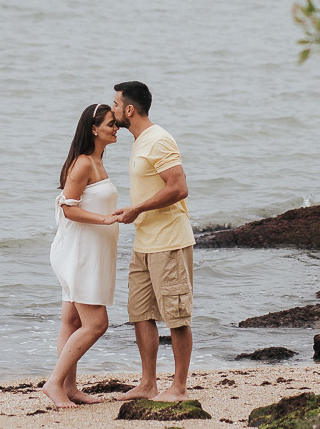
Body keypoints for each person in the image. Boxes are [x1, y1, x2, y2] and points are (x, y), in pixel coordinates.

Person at [110, 81, 195, 402]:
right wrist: (134, 211)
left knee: (176, 316)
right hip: (144, 243)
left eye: (116, 104)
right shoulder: (140, 141)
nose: (113, 109)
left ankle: (180, 387)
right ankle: (148, 384)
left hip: (169, 242)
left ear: (129, 109)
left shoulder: (159, 140)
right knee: (141, 313)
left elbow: (178, 187)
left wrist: (137, 209)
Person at [43, 103, 122, 408]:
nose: (116, 129)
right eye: (110, 125)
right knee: (96, 323)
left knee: (72, 319)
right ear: (93, 129)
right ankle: (54, 383)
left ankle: (70, 388)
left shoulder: (97, 161)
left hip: (89, 250)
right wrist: (105, 220)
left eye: (116, 124)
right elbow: (68, 208)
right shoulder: (83, 164)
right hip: (79, 253)